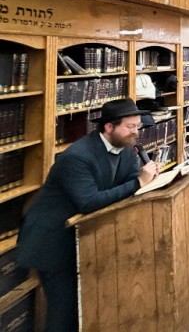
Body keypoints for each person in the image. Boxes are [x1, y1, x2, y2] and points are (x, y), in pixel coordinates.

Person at [17, 99, 159, 332]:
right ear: (109, 127)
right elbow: (89, 201)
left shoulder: (125, 149)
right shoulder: (77, 156)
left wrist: (146, 180)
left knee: (86, 307)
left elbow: (128, 181)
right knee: (64, 312)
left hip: (86, 238)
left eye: (138, 126)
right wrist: (138, 182)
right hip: (53, 241)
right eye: (130, 126)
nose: (136, 131)